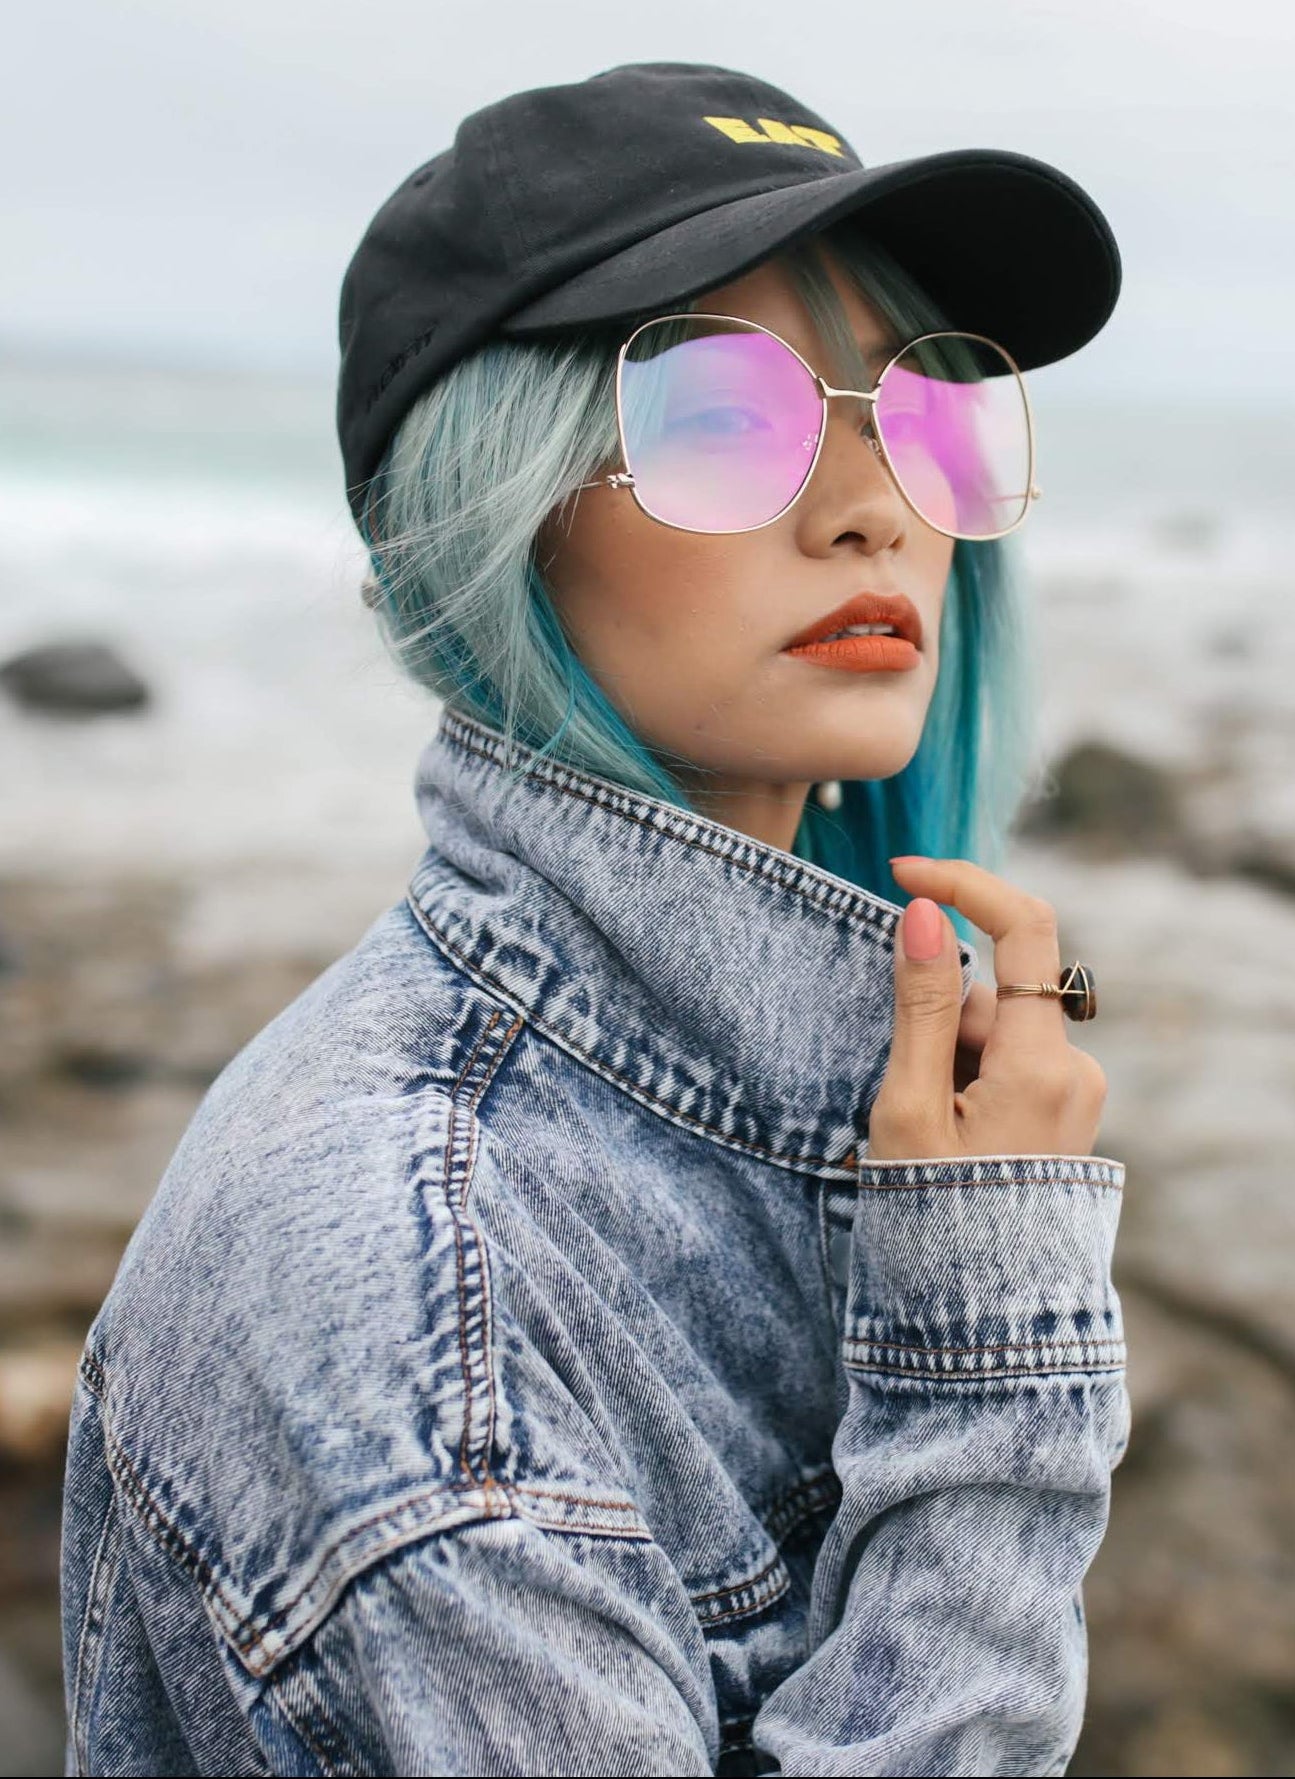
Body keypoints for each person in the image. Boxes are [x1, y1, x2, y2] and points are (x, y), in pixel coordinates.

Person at [59, 61, 1130, 1777]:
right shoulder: (414, 1284)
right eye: (720, 415)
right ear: (496, 514)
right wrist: (993, 1361)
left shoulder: (856, 1102)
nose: (872, 505)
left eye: (924, 408)